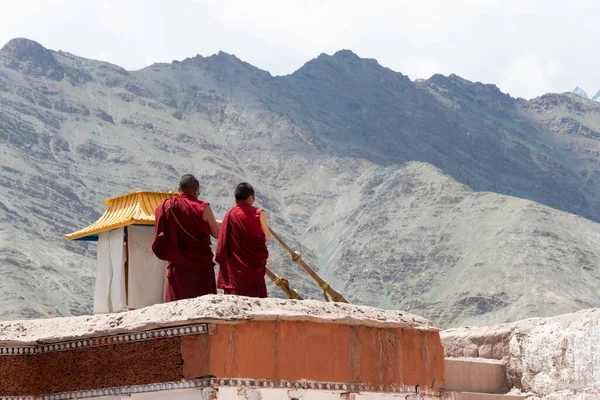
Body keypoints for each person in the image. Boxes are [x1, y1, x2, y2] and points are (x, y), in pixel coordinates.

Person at [153, 174, 220, 302]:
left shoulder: (167, 207)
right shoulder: (203, 208)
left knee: (177, 310)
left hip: (178, 269)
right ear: (195, 191)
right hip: (201, 270)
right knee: (202, 308)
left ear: (179, 189)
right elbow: (217, 234)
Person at [216, 182, 271, 298]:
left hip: (235, 273)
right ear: (251, 197)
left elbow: (222, 243)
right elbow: (266, 237)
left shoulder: (229, 215)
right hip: (253, 270)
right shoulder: (259, 213)